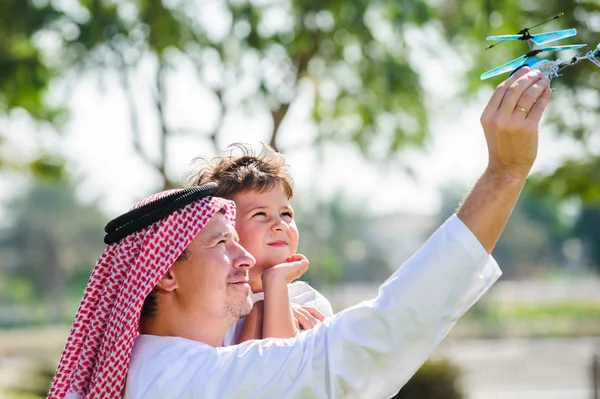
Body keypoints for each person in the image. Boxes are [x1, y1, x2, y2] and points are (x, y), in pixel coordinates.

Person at [48, 67, 552, 399]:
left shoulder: (149, 365)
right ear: (165, 275)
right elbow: (366, 346)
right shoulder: (182, 382)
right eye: (223, 243)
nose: (245, 257)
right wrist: (504, 174)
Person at [190, 143, 333, 344]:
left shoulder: (307, 301)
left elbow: (278, 367)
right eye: (260, 214)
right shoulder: (207, 304)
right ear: (225, 230)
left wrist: (276, 284)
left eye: (286, 214)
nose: (280, 225)